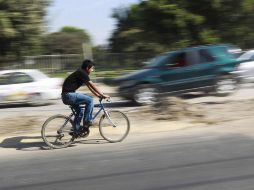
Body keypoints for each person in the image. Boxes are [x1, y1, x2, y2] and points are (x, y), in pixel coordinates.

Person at [61, 59, 110, 135]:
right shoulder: (82, 73)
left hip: (66, 96)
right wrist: (102, 94)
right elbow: (92, 85)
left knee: (80, 111)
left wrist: (98, 95)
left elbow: (89, 87)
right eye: (92, 68)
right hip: (69, 95)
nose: (92, 70)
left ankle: (76, 130)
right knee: (90, 100)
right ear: (87, 68)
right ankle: (87, 121)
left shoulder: (81, 72)